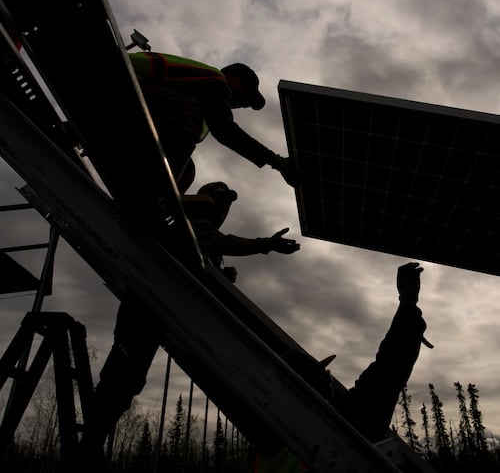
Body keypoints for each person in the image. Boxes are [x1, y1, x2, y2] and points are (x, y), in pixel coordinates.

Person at [78, 182, 300, 469]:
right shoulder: (193, 221)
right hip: (144, 310)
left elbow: (203, 263)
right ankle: (90, 445)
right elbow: (224, 242)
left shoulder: (199, 233)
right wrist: (265, 244)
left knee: (128, 380)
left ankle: (92, 442)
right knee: (122, 377)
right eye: (220, 202)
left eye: (227, 205)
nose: (224, 210)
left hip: (154, 313)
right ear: (208, 201)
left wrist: (222, 276)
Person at [254, 261, 432, 472]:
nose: (328, 376)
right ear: (303, 392)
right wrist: (407, 304)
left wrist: (407, 305)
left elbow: (382, 375)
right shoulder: (331, 436)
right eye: (322, 374)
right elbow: (384, 375)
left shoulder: (268, 450)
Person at [128, 52, 298, 193]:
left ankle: (160, 199)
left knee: (187, 170)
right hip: (125, 79)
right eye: (247, 95)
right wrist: (278, 162)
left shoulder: (196, 91)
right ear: (232, 77)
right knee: (191, 113)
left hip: (142, 101)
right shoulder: (215, 80)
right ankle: (152, 193)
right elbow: (224, 129)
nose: (243, 104)